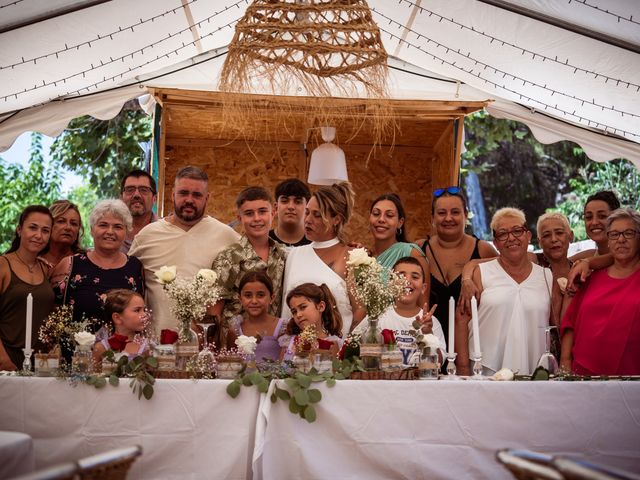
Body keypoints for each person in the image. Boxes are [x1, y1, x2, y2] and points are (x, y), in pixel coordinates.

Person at [129, 166, 239, 333]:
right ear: (172, 194)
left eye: (197, 195)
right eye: (183, 193)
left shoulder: (227, 236)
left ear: (207, 198)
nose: (189, 199)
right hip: (156, 347)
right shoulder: (147, 236)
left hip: (205, 346)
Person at [455, 208, 553, 376]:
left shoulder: (547, 276)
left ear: (528, 236)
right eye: (503, 234)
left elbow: (556, 324)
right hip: (484, 370)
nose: (511, 238)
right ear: (496, 242)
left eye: (517, 231)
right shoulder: (479, 273)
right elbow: (461, 321)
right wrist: (463, 370)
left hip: (534, 371)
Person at [560, 208, 640, 376]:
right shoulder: (589, 278)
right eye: (614, 234)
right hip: (583, 374)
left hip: (632, 374)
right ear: (608, 240)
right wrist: (565, 362)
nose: (621, 239)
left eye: (629, 233)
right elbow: (570, 323)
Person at [280, 181, 365, 337]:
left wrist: (348, 347)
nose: (308, 220)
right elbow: (286, 310)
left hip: (337, 351)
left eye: (317, 215)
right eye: (307, 212)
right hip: (296, 352)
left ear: (336, 219)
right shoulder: (294, 254)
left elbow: (360, 310)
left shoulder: (352, 257)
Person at [417, 187, 497, 346]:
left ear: (465, 215)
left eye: (455, 212)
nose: (448, 218)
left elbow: (509, 265)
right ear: (432, 218)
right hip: (430, 344)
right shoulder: (419, 249)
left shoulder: (483, 250)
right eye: (441, 213)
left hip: (471, 346)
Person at [50, 200, 144, 332]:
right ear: (92, 230)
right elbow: (52, 313)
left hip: (124, 351)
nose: (110, 231)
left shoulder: (136, 267)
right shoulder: (70, 265)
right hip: (77, 351)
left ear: (126, 232)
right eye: (103, 225)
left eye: (118, 226)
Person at [352, 257, 445, 367]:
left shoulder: (432, 322)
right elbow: (352, 347)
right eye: (401, 276)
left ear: (423, 288)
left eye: (415, 277)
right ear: (391, 284)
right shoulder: (376, 317)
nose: (408, 281)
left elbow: (439, 362)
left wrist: (428, 334)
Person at [212, 187, 287, 323]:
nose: (257, 218)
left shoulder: (283, 254)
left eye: (262, 211)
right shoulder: (228, 257)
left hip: (274, 339)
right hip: (235, 339)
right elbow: (214, 310)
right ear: (240, 218)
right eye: (249, 213)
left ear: (273, 212)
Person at [0, 206, 55, 370]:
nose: (39, 235)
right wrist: (3, 360)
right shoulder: (3, 265)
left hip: (39, 362)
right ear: (19, 230)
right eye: (33, 228)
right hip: (7, 359)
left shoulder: (46, 269)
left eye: (45, 230)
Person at [369, 194, 430, 299]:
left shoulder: (411, 253)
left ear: (400, 223)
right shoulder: (366, 257)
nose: (381, 219)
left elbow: (423, 307)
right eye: (376, 214)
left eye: (389, 215)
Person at [230, 271, 286, 362]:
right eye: (248, 295)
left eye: (260, 295)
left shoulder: (283, 328)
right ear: (240, 299)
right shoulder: (235, 331)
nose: (254, 301)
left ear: (272, 298)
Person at [281, 282, 343, 360]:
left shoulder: (335, 343)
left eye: (303, 307)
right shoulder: (289, 342)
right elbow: (281, 370)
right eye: (294, 311)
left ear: (321, 307)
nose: (298, 315)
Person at [93, 289, 150, 368]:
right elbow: (94, 377)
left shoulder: (147, 347)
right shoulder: (101, 348)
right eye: (137, 310)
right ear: (117, 318)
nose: (144, 315)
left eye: (144, 310)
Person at [570, 190, 620, 261]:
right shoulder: (585, 257)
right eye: (589, 217)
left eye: (602, 216)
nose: (594, 222)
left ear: (617, 218)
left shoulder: (630, 257)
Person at [120, 170, 158, 254]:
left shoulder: (165, 231)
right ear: (121, 198)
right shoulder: (110, 231)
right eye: (130, 190)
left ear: (154, 199)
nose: (136, 195)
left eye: (144, 190)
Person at [269, 178, 311, 248]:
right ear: (276, 207)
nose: (291, 207)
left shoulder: (316, 243)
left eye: (298, 202)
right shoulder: (264, 241)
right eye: (285, 201)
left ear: (307, 208)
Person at [41, 200, 84, 268]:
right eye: (61, 221)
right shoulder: (32, 259)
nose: (68, 227)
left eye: (74, 223)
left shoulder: (85, 261)